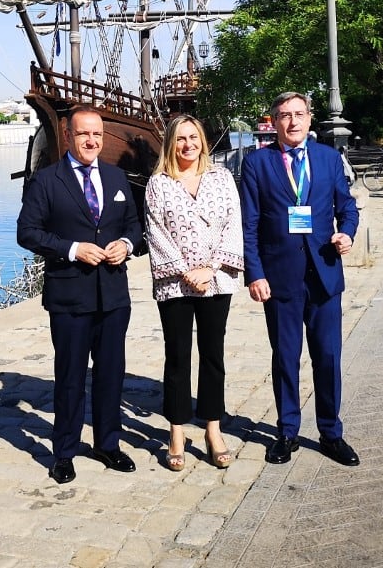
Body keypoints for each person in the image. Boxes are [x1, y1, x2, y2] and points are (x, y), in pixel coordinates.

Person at [16, 106, 143, 485]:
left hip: (113, 297)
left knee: (110, 375)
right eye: (84, 134)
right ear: (69, 136)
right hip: (70, 297)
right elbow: (27, 232)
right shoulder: (48, 180)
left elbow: (136, 227)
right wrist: (72, 248)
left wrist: (126, 243)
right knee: (70, 377)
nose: (92, 141)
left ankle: (108, 444)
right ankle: (65, 451)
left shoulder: (117, 176)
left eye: (98, 135)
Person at [241, 92, 361, 467]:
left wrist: (348, 234)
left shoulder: (328, 158)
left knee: (328, 358)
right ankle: (287, 431)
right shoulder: (256, 163)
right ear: (273, 122)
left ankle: (331, 433)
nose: (292, 122)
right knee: (286, 358)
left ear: (310, 118)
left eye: (298, 114)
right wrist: (254, 273)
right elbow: (249, 225)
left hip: (325, 275)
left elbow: (346, 206)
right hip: (280, 280)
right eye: (283, 116)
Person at [144, 115, 245, 471]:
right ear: (170, 144)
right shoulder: (159, 184)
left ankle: (212, 428)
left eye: (193, 137)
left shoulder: (222, 178)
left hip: (216, 280)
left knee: (212, 354)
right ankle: (175, 430)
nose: (187, 144)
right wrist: (186, 271)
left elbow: (234, 223)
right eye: (180, 139)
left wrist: (212, 268)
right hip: (175, 282)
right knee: (177, 357)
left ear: (202, 140)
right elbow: (155, 231)